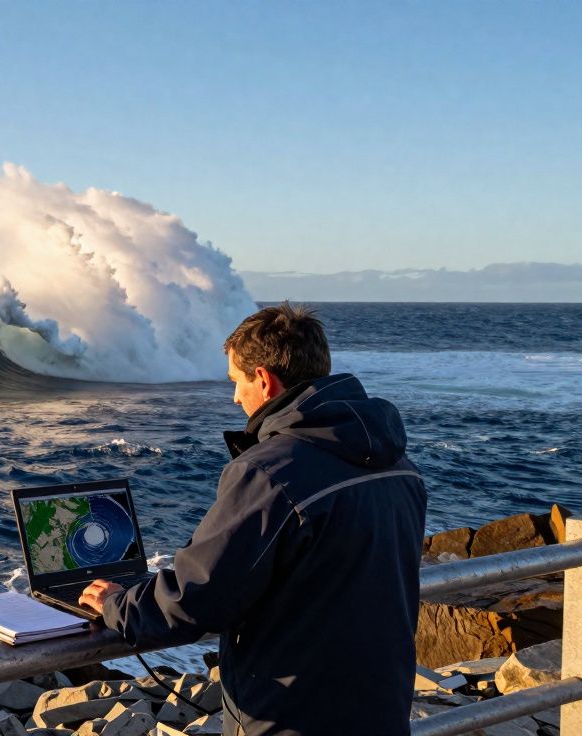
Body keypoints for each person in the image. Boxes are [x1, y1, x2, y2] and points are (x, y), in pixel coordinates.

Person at [79, 302, 427, 736]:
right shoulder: (399, 465)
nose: (234, 397)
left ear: (263, 379)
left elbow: (198, 596)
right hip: (382, 706)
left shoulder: (270, 472)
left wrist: (118, 604)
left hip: (294, 716)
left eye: (236, 381)